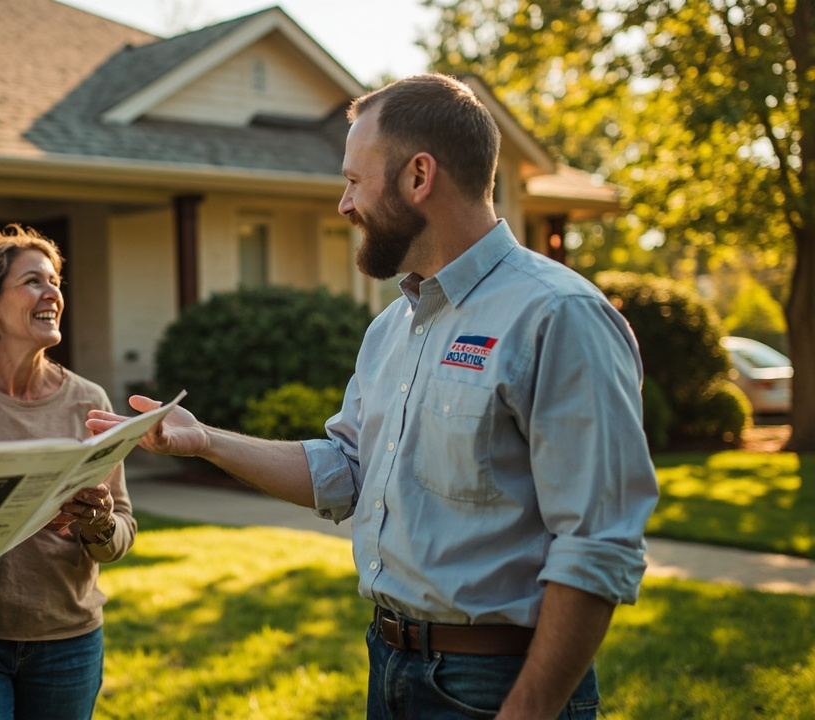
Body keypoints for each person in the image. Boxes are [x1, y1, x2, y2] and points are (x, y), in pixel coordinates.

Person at [87, 74, 659, 720]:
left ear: (419, 177)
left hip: (498, 684)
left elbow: (598, 544)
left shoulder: (558, 317)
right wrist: (206, 441)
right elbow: (347, 471)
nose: (343, 204)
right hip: (389, 667)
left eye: (355, 181)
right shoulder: (393, 328)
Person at [0, 224, 135, 720]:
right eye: (32, 281)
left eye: (55, 282)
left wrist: (100, 521)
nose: (53, 293)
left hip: (70, 638)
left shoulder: (89, 400)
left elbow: (121, 535)